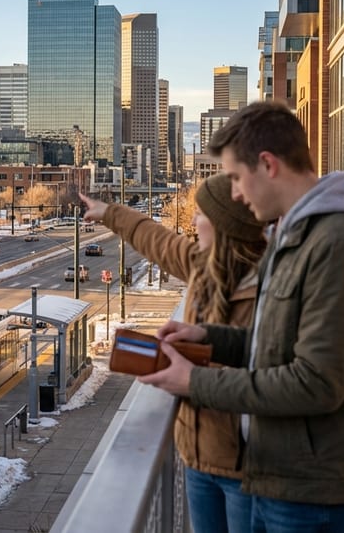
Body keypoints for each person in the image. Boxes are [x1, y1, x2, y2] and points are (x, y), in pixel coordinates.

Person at [139, 101, 344, 533]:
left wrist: (194, 381)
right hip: (283, 476)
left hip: (318, 493)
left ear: (268, 164)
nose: (235, 195)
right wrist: (209, 336)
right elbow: (273, 345)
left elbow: (315, 383)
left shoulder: (339, 245)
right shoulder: (297, 235)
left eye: (237, 178)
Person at [79, 175, 267, 532]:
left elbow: (274, 371)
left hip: (248, 467)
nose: (193, 221)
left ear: (226, 223)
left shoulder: (273, 286)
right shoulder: (202, 264)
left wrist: (191, 376)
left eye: (201, 214)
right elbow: (156, 240)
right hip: (198, 457)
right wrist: (108, 213)